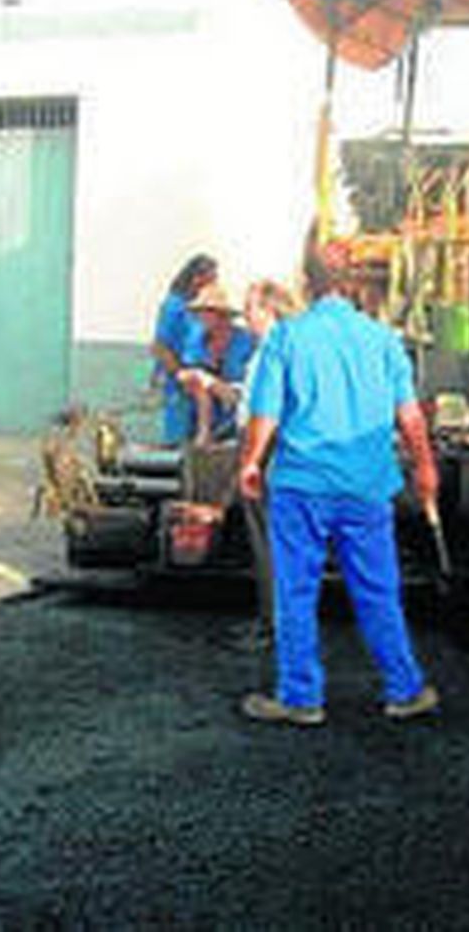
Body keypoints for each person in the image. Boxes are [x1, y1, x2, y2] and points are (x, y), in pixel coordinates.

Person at [237, 240, 441, 726]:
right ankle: (404, 689)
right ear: (352, 284)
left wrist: (249, 463)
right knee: (377, 589)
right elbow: (410, 417)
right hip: (366, 485)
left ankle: (301, 697)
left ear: (306, 284)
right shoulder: (383, 340)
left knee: (296, 590)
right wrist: (425, 467)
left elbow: (264, 415)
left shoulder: (286, 339)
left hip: (301, 485)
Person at [234, 279, 300, 654]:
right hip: (268, 451)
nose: (246, 317)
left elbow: (270, 413)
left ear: (270, 311)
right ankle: (270, 621)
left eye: (251, 309)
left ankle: (273, 626)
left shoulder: (276, 352)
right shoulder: (274, 350)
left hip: (269, 453)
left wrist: (253, 461)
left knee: (269, 546)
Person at [175, 281, 255, 444]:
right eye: (200, 312)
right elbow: (189, 377)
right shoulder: (196, 340)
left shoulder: (247, 342)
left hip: (240, 422)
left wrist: (208, 381)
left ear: (222, 314)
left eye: (207, 312)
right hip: (201, 420)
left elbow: (242, 394)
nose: (201, 317)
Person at [151, 253, 218, 444]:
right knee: (179, 432)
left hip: (202, 376)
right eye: (210, 278)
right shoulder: (174, 305)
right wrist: (179, 373)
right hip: (180, 378)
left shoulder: (201, 307)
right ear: (196, 278)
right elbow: (160, 345)